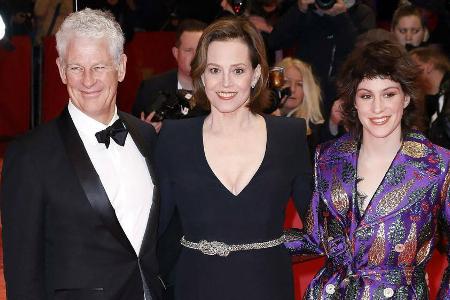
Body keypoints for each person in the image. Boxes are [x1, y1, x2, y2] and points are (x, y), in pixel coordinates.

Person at [1, 8, 163, 300]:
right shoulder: (29, 156)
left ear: (122, 67)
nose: (88, 81)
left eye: (99, 66)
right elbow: (22, 271)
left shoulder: (146, 136)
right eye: (76, 67)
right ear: (62, 70)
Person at [155, 17, 312, 300]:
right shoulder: (174, 138)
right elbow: (156, 228)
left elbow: (319, 222)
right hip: (196, 287)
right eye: (215, 70)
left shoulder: (289, 136)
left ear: (254, 75)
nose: (225, 83)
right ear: (202, 75)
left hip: (269, 287)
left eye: (237, 70)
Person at [284, 40, 450, 299]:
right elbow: (315, 238)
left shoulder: (437, 165)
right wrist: (247, 237)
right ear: (354, 101)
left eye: (388, 94)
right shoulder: (328, 158)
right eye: (366, 95)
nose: (377, 108)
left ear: (405, 97)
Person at [132, 18, 207, 132]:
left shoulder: (219, 91)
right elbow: (133, 134)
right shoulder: (151, 89)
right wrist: (145, 134)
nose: (195, 57)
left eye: (200, 50)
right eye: (188, 50)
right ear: (176, 53)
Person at [275, 57, 324, 154]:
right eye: (286, 81)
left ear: (307, 91)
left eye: (299, 84)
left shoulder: (315, 129)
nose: (292, 89)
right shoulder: (259, 117)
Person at [410, 45, 450, 149]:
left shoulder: (446, 95)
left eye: (413, 67)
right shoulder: (432, 102)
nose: (410, 74)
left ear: (429, 66)